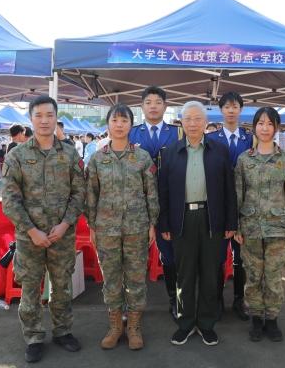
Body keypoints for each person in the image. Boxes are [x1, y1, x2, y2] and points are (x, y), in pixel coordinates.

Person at [2, 96, 86, 363]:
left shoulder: (70, 153)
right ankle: (34, 337)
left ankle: (63, 332)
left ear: (56, 118)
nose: (45, 120)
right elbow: (10, 200)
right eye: (39, 115)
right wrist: (31, 230)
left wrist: (65, 224)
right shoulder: (17, 155)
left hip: (62, 235)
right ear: (30, 119)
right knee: (30, 288)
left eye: (49, 115)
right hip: (30, 238)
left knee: (62, 286)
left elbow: (79, 193)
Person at [158, 101, 237, 346]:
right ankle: (185, 323)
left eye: (197, 119)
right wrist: (164, 224)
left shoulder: (219, 150)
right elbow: (163, 191)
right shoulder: (170, 152)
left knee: (210, 274)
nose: (192, 123)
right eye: (188, 119)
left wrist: (231, 222)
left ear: (206, 122)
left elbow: (229, 189)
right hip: (182, 219)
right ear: (181, 122)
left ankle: (206, 324)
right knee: (184, 274)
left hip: (212, 219)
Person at [86, 104, 159, 351]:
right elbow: (91, 195)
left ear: (131, 125)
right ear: (108, 124)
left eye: (124, 120)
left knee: (136, 277)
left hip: (136, 227)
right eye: (115, 120)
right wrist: (92, 226)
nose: (119, 125)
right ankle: (115, 326)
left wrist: (152, 223)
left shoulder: (142, 157)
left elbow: (151, 193)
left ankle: (134, 327)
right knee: (111, 278)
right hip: (106, 229)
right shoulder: (97, 159)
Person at [235, 107, 285, 342]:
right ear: (254, 127)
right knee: (253, 276)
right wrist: (237, 227)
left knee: (273, 277)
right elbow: (237, 194)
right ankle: (256, 318)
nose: (265, 128)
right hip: (250, 228)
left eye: (270, 124)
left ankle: (272, 319)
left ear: (276, 128)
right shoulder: (244, 159)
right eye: (261, 123)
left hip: (278, 228)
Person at [129, 86, 184, 320]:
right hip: (137, 203)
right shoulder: (131, 133)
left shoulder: (178, 133)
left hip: (170, 203)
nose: (153, 106)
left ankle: (176, 300)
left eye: (158, 102)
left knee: (172, 255)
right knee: (132, 257)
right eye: (148, 102)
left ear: (165, 106)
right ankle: (131, 306)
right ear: (142, 106)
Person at [205, 91, 252, 321]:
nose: (231, 111)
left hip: (244, 205)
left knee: (241, 257)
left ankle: (239, 299)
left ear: (241, 110)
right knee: (217, 255)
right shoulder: (211, 139)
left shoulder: (250, 139)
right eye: (227, 107)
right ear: (221, 110)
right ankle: (216, 300)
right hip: (219, 204)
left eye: (235, 106)